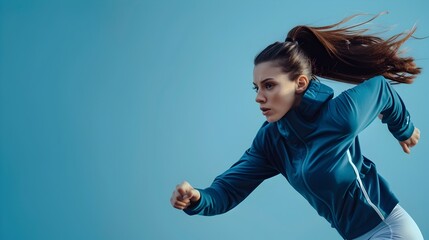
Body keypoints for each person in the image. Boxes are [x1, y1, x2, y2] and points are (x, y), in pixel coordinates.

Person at [170, 13, 424, 239]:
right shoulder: (270, 142)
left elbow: (381, 89)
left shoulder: (338, 116)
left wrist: (403, 128)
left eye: (269, 85)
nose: (259, 96)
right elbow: (226, 190)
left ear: (300, 83)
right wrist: (198, 199)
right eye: (256, 88)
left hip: (388, 229)